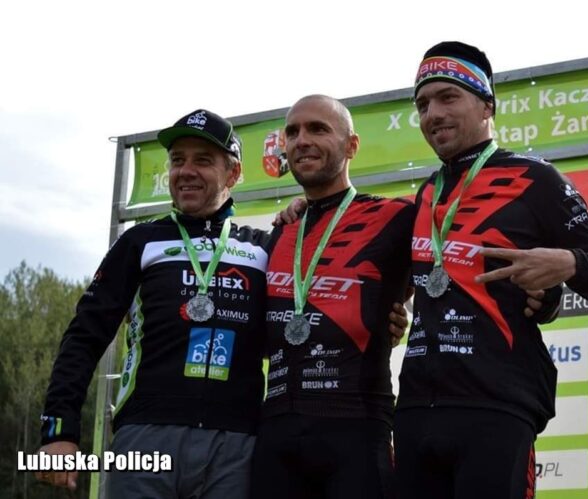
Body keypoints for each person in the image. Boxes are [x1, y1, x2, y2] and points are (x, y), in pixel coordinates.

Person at [394, 42, 588, 499]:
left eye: (448, 97)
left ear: (487, 105)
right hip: (414, 412)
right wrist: (302, 211)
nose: (433, 114)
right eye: (423, 105)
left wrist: (567, 263)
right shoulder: (427, 193)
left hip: (495, 407)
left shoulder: (535, 178)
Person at [37, 109, 270, 498]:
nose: (186, 171)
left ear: (233, 174)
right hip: (146, 437)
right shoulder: (140, 241)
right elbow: (84, 337)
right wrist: (58, 429)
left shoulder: (263, 248)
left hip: (235, 444)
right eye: (177, 160)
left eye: (202, 160)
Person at [249, 95, 414, 499]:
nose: (301, 140)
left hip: (356, 428)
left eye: (318, 129)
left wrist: (547, 293)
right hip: (276, 432)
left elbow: (459, 263)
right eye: (292, 132)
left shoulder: (394, 217)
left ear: (351, 146)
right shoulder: (280, 231)